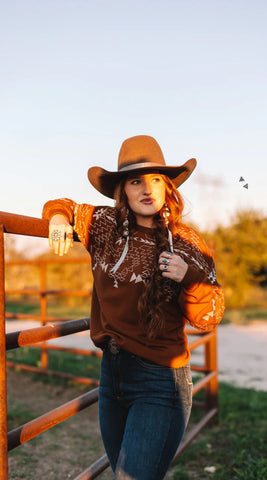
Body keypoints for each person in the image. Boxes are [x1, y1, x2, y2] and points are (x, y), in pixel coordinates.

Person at [43, 135, 225, 480]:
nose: (147, 189)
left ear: (167, 187)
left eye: (156, 179)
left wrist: (189, 278)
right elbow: (62, 204)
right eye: (136, 181)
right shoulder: (103, 227)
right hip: (112, 376)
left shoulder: (188, 242)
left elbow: (210, 317)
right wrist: (56, 219)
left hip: (160, 380)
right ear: (122, 190)